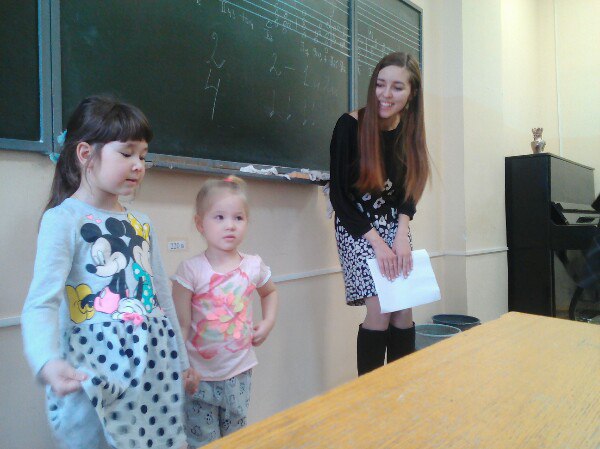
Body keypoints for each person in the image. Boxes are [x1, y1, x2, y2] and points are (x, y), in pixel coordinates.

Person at [21, 96, 191, 449]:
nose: (138, 165)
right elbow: (41, 302)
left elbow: (161, 295)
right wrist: (47, 361)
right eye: (126, 153)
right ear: (86, 154)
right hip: (94, 367)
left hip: (152, 367)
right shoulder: (63, 220)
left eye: (143, 156)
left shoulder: (142, 223)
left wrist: (182, 359)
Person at [328, 52, 430, 375]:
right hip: (357, 227)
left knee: (403, 310)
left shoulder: (409, 132)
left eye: (397, 87)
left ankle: (400, 391)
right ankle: (370, 395)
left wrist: (401, 235)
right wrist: (377, 242)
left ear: (412, 93)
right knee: (382, 309)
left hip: (393, 226)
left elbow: (409, 191)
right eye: (380, 84)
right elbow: (339, 196)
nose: (385, 94)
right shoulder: (349, 126)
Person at [171, 175, 278, 448]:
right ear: (200, 224)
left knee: (236, 439)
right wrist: (181, 366)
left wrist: (268, 322)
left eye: (238, 218)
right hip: (199, 377)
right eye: (219, 217)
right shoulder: (190, 271)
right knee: (202, 442)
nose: (230, 225)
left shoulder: (253, 266)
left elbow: (269, 292)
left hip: (239, 374)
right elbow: (180, 325)